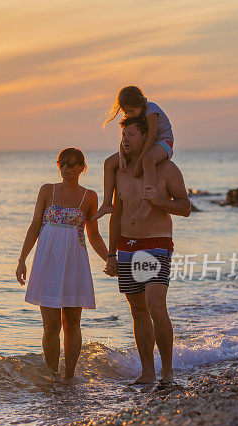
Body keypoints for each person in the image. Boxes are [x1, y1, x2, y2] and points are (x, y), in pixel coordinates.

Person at [104, 115, 190, 385]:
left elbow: (185, 207)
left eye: (131, 134)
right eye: (123, 135)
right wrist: (111, 253)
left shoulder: (166, 169)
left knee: (155, 306)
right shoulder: (119, 169)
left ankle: (167, 372)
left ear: (146, 137)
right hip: (127, 246)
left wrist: (159, 200)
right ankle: (147, 372)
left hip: (155, 244)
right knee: (138, 311)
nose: (125, 139)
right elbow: (116, 214)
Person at [16, 148, 109, 380]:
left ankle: (69, 375)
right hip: (47, 261)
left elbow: (94, 235)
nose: (66, 168)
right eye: (63, 164)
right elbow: (35, 225)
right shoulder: (47, 190)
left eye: (72, 164)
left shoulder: (89, 196)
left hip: (74, 261)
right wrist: (22, 260)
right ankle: (52, 374)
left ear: (82, 168)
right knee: (50, 325)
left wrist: (110, 259)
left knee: (72, 323)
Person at [93, 85, 175, 222]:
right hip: (144, 142)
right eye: (126, 112)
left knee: (148, 160)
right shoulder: (133, 113)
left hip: (163, 142)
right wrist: (121, 155)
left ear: (140, 103)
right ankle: (107, 203)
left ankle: (147, 203)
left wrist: (139, 162)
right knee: (109, 163)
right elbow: (124, 137)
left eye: (131, 111)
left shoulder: (151, 110)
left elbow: (152, 137)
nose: (129, 115)